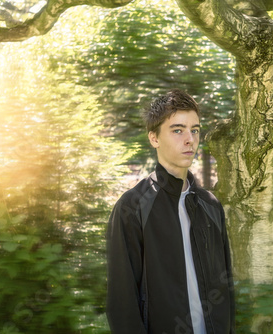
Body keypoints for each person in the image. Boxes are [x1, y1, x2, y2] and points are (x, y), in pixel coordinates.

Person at [106, 89, 235, 334]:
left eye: (194, 130)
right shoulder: (133, 207)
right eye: (178, 130)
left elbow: (226, 287)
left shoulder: (211, 205)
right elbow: (122, 302)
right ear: (154, 138)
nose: (190, 139)